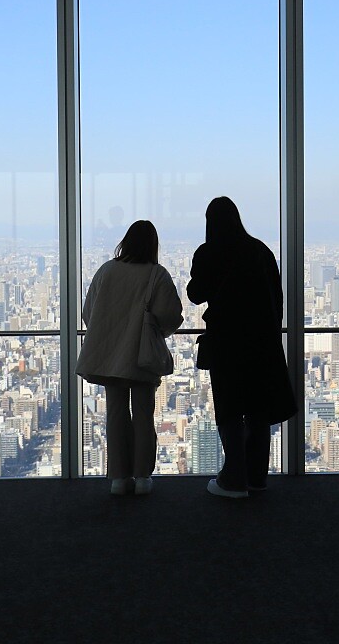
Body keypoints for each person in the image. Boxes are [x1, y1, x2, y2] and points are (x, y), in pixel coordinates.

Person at [187, 197, 291, 499]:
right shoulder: (261, 251)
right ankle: (257, 477)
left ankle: (233, 480)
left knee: (230, 410)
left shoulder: (209, 252)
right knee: (258, 411)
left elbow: (196, 294)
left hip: (226, 342)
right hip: (262, 343)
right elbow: (277, 298)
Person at [77, 220, 183, 496]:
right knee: (143, 414)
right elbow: (170, 316)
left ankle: (118, 479)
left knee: (116, 414)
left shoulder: (106, 271)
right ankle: (143, 477)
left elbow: (89, 313)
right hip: (142, 357)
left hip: (111, 356)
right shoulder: (156, 275)